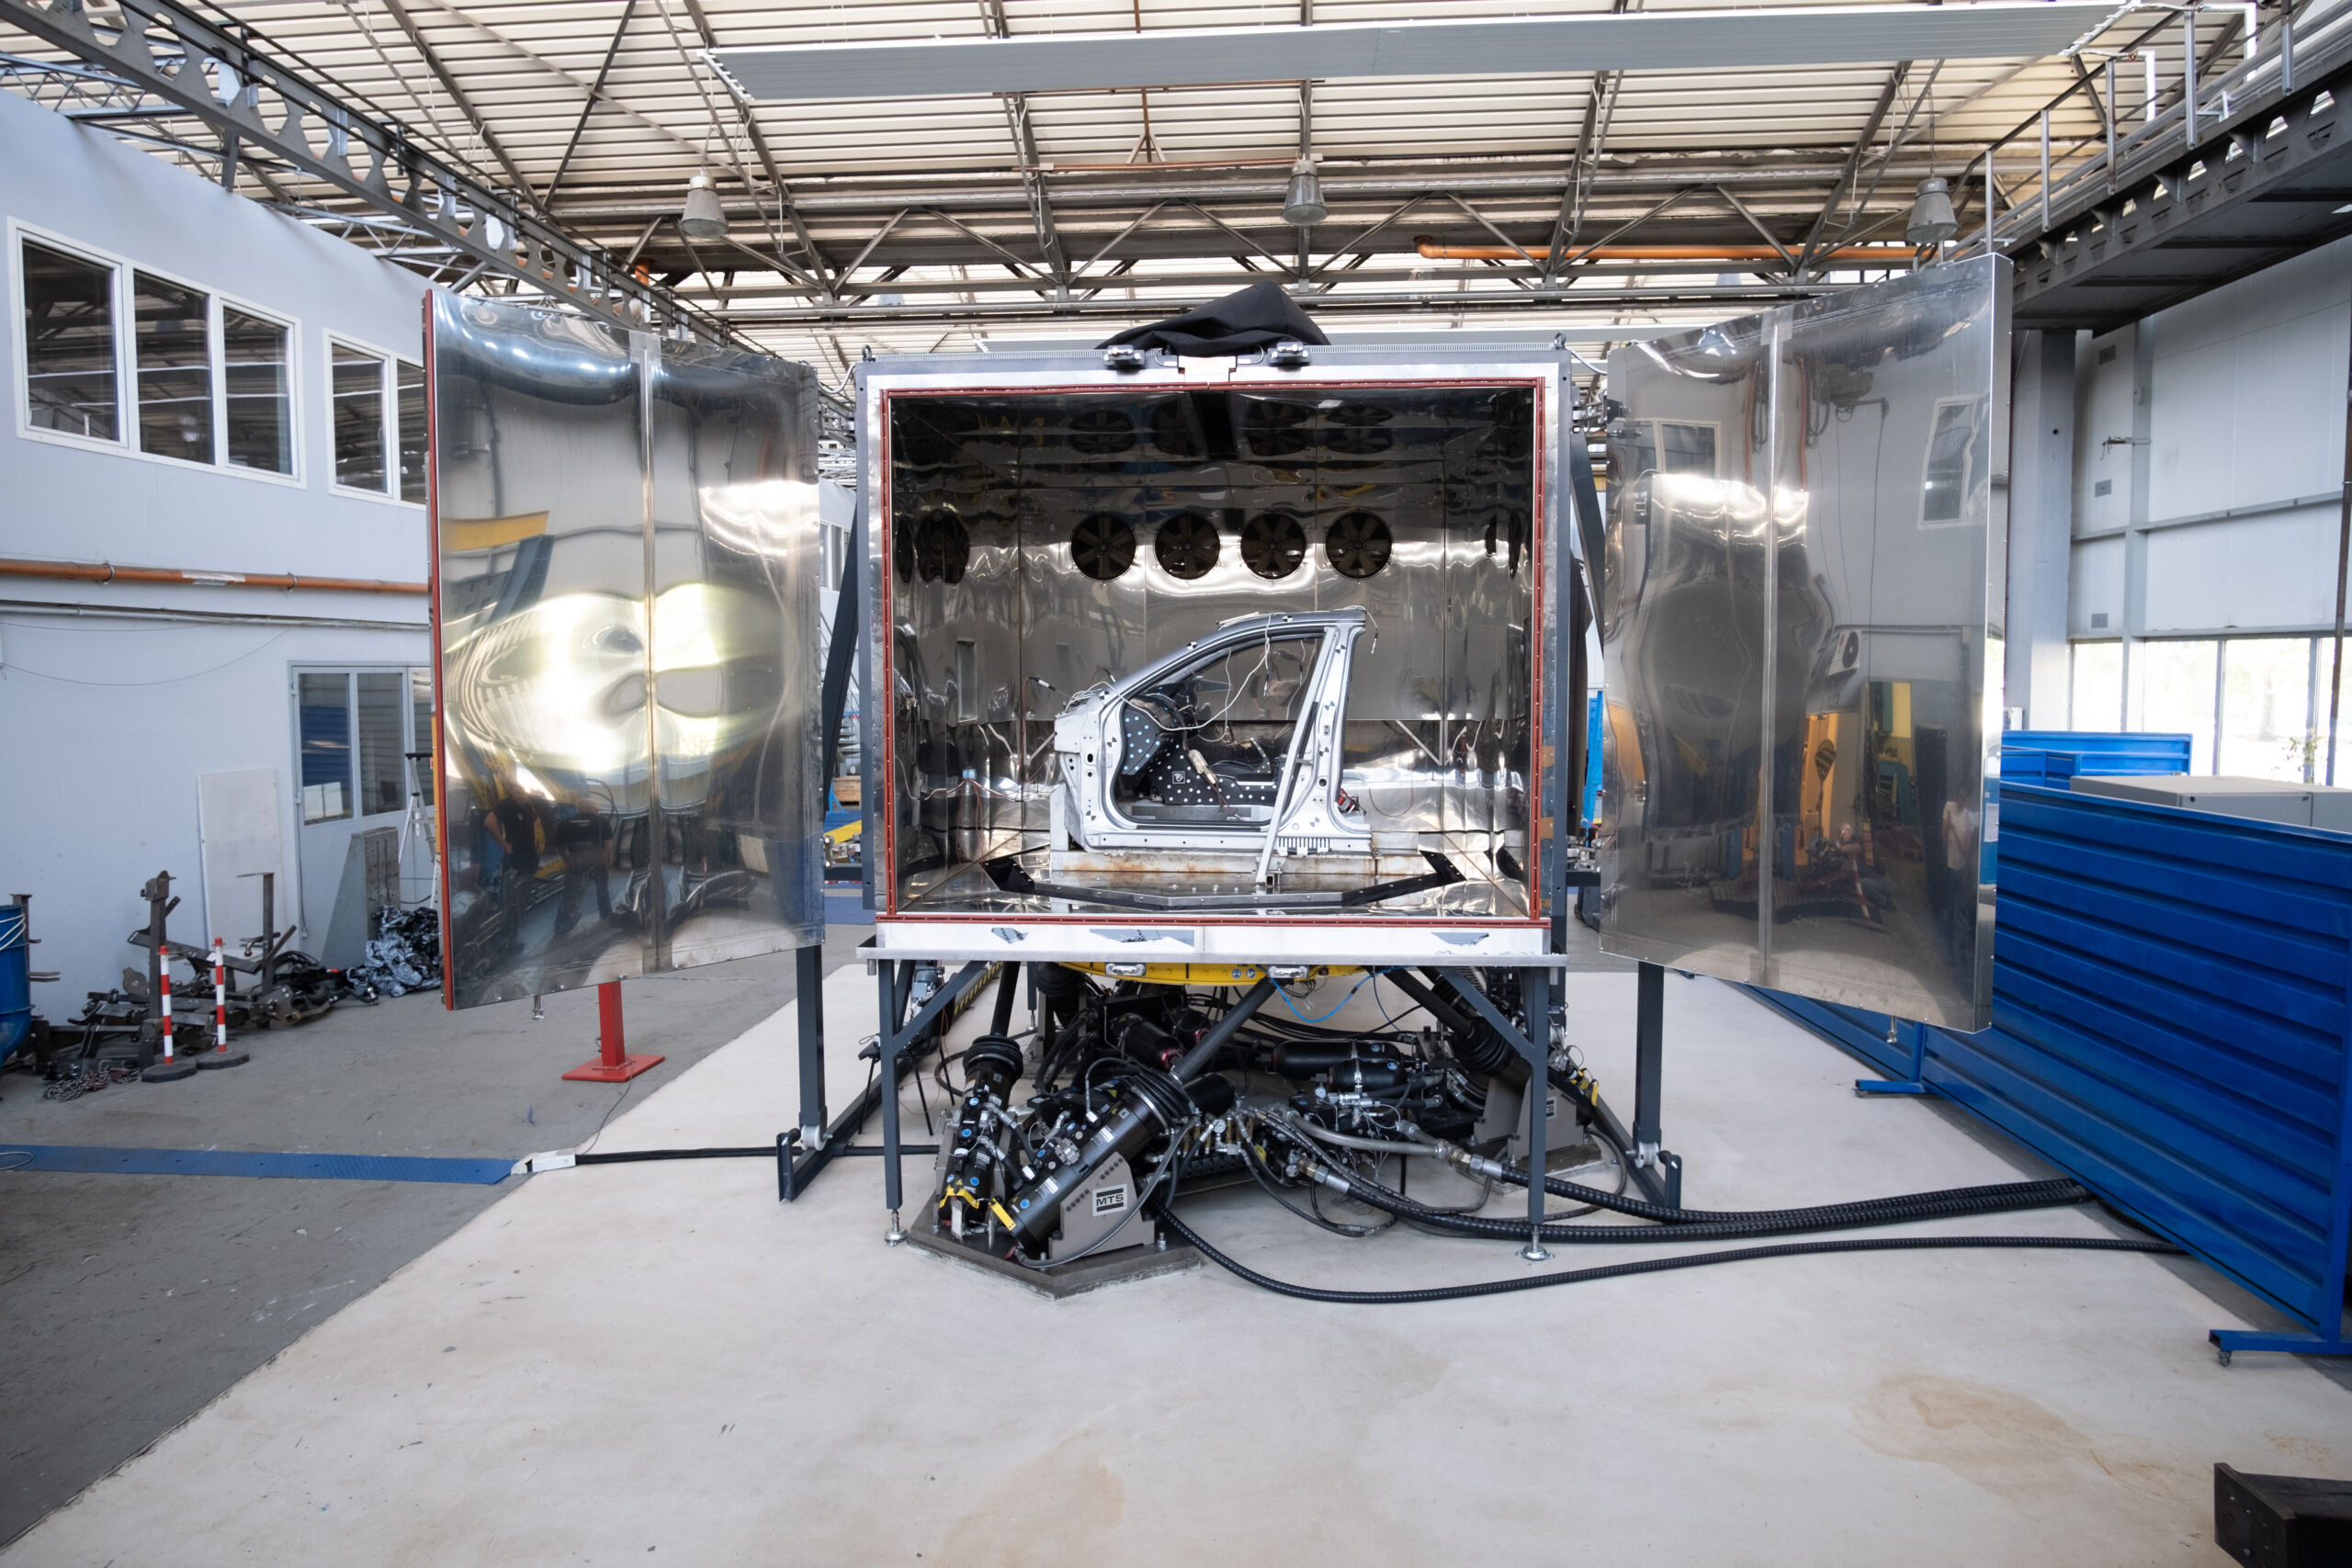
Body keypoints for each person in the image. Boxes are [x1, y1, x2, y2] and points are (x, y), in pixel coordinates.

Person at [487, 786, 541, 954]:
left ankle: (512, 939)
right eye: (518, 792)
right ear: (512, 793)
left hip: (529, 860)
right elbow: (489, 822)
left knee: (521, 902)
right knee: (512, 903)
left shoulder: (527, 808)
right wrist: (504, 845)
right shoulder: (506, 805)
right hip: (515, 861)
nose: (522, 795)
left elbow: (536, 827)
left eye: (524, 792)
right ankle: (503, 943)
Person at [551, 796, 612, 937]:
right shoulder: (602, 822)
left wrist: (567, 859)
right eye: (597, 809)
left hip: (576, 860)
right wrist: (610, 861)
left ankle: (563, 925)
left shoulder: (564, 823)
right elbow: (608, 844)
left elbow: (560, 846)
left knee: (572, 893)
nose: (598, 811)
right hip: (598, 860)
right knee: (602, 888)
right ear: (592, 809)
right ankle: (606, 913)